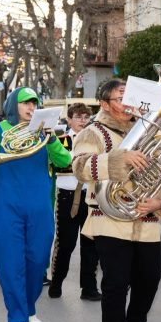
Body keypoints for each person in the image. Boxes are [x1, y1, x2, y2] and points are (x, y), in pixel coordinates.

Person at [72, 79, 161, 322]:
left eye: (131, 99)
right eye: (120, 99)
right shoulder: (93, 132)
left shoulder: (153, 132)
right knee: (116, 283)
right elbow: (79, 167)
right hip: (109, 219)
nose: (128, 105)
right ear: (104, 104)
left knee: (149, 280)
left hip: (147, 220)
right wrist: (119, 158)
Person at [0, 87, 71, 322]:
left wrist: (52, 139)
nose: (31, 108)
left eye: (34, 103)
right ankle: (16, 317)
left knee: (38, 260)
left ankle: (29, 308)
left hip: (39, 206)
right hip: (5, 206)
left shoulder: (45, 131)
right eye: (26, 103)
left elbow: (65, 161)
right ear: (13, 105)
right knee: (10, 262)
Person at [48, 103, 100, 300]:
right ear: (69, 119)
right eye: (78, 117)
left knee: (91, 245)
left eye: (86, 117)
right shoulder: (62, 140)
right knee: (65, 244)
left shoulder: (95, 141)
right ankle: (56, 283)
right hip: (67, 197)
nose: (82, 121)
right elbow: (61, 165)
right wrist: (82, 164)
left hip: (90, 196)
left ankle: (89, 288)